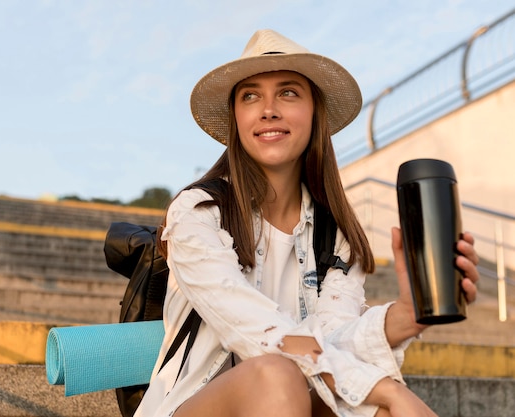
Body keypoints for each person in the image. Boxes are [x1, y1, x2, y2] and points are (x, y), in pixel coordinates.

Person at [134, 29, 480, 417]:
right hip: (194, 405)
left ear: (315, 112)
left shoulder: (336, 236)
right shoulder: (198, 212)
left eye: (288, 92)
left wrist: (405, 316)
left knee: (366, 406)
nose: (268, 109)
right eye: (250, 96)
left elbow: (331, 342)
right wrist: (388, 390)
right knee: (279, 375)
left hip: (292, 396)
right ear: (237, 117)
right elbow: (262, 335)